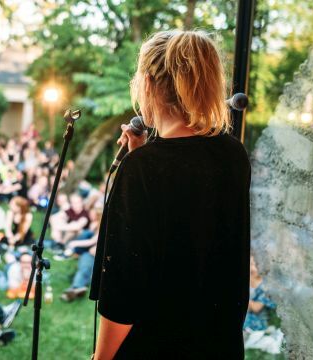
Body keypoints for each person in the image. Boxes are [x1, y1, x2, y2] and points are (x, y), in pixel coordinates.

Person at [90, 31, 250, 359]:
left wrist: (101, 357)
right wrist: (145, 154)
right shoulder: (233, 154)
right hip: (216, 343)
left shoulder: (143, 169)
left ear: (147, 83)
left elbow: (124, 284)